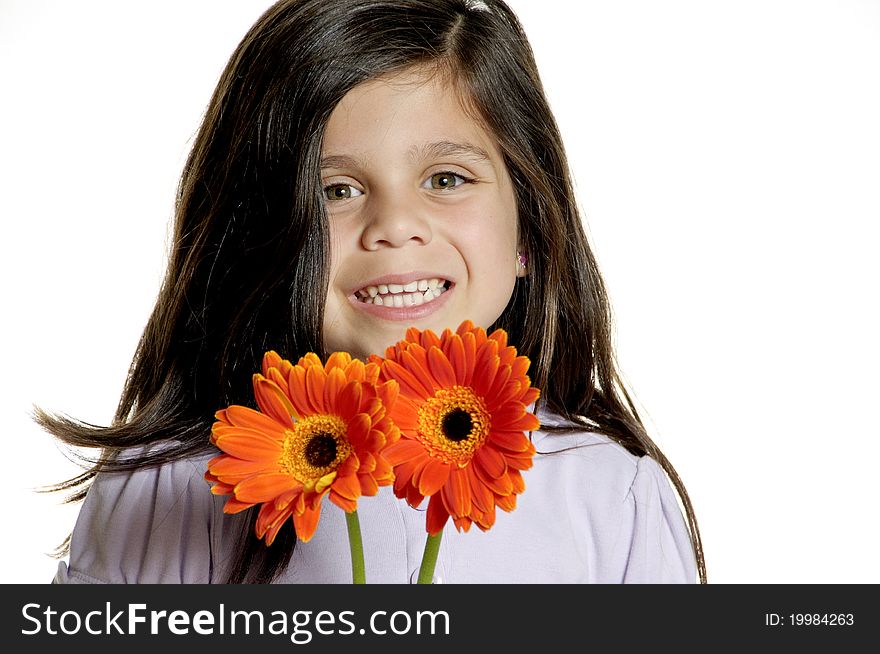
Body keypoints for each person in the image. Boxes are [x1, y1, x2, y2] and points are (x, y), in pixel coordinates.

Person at [39, 0, 706, 584]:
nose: (395, 228)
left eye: (446, 179)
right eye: (337, 191)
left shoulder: (612, 495)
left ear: (529, 227)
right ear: (255, 242)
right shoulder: (165, 489)